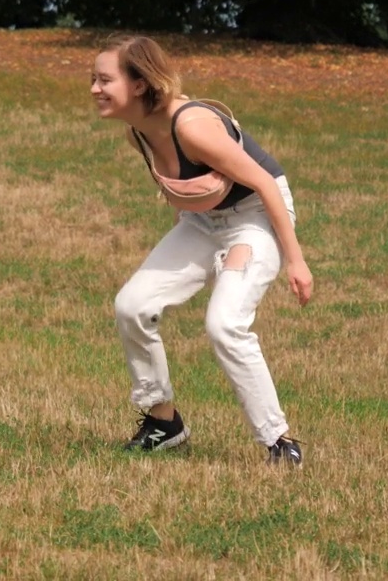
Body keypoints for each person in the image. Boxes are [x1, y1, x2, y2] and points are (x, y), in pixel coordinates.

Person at [90, 35, 313, 466]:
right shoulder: (139, 131)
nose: (94, 89)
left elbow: (266, 184)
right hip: (203, 223)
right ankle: (163, 423)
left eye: (104, 79)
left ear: (138, 84)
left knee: (224, 324)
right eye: (92, 79)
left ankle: (279, 443)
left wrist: (296, 261)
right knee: (132, 305)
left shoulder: (191, 126)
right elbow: (187, 196)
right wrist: (182, 255)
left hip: (255, 216)